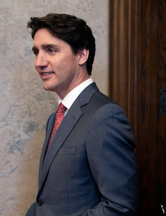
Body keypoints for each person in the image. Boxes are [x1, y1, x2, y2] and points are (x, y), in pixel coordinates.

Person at [25, 13, 139, 216]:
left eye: (51, 50)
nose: (39, 62)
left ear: (82, 55)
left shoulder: (105, 115)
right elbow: (47, 203)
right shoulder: (55, 118)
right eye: (36, 52)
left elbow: (120, 208)